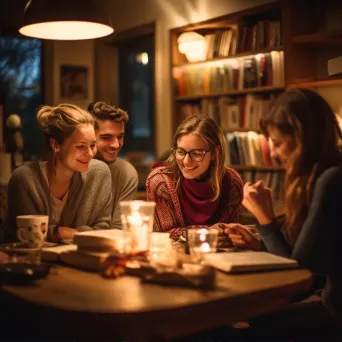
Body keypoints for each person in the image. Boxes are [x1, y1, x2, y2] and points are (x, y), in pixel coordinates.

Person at [223, 88, 342, 340]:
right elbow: (304, 261)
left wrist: (265, 219)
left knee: (228, 329)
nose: (274, 154)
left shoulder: (332, 181)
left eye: (277, 143)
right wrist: (259, 242)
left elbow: (300, 275)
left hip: (335, 315)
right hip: (326, 302)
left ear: (302, 137)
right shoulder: (321, 176)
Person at [1, 104, 112, 243]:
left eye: (93, 145)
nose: (90, 154)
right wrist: (65, 233)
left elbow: (104, 231)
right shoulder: (25, 180)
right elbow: (28, 234)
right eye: (80, 146)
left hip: (82, 261)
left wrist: (64, 232)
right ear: (55, 145)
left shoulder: (99, 174)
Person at [146, 115, 243, 241]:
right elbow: (164, 235)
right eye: (180, 152)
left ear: (215, 153)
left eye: (196, 153)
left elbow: (231, 237)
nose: (186, 161)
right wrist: (209, 232)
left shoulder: (232, 182)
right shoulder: (160, 181)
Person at [87, 101, 138, 229]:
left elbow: (118, 230)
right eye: (106, 137)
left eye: (120, 137)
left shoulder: (127, 173)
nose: (116, 144)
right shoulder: (72, 168)